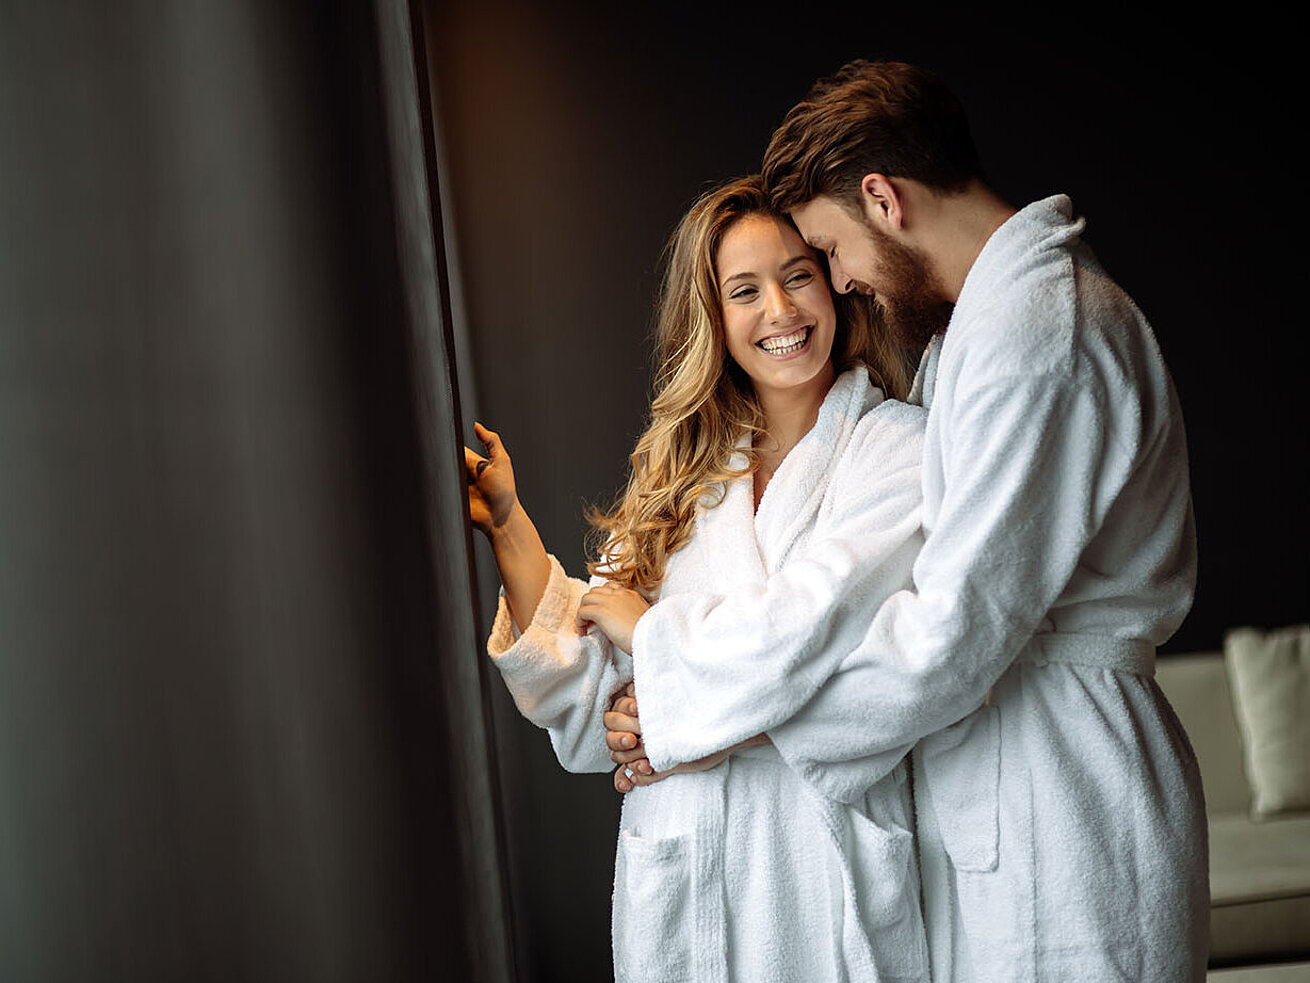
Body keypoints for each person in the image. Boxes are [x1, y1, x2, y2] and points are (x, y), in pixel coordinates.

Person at [607, 61, 1208, 982]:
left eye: (827, 250)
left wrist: (728, 720)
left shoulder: (1038, 333)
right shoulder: (984, 330)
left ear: (882, 198)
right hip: (1006, 779)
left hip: (1067, 789)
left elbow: (952, 633)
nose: (839, 283)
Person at [465, 175, 933, 982]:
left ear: (833, 282)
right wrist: (509, 525)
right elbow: (590, 704)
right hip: (691, 871)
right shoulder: (684, 479)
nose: (781, 312)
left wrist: (661, 664)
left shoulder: (894, 450)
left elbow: (817, 639)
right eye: (744, 291)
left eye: (798, 275)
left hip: (819, 870)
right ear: (713, 319)